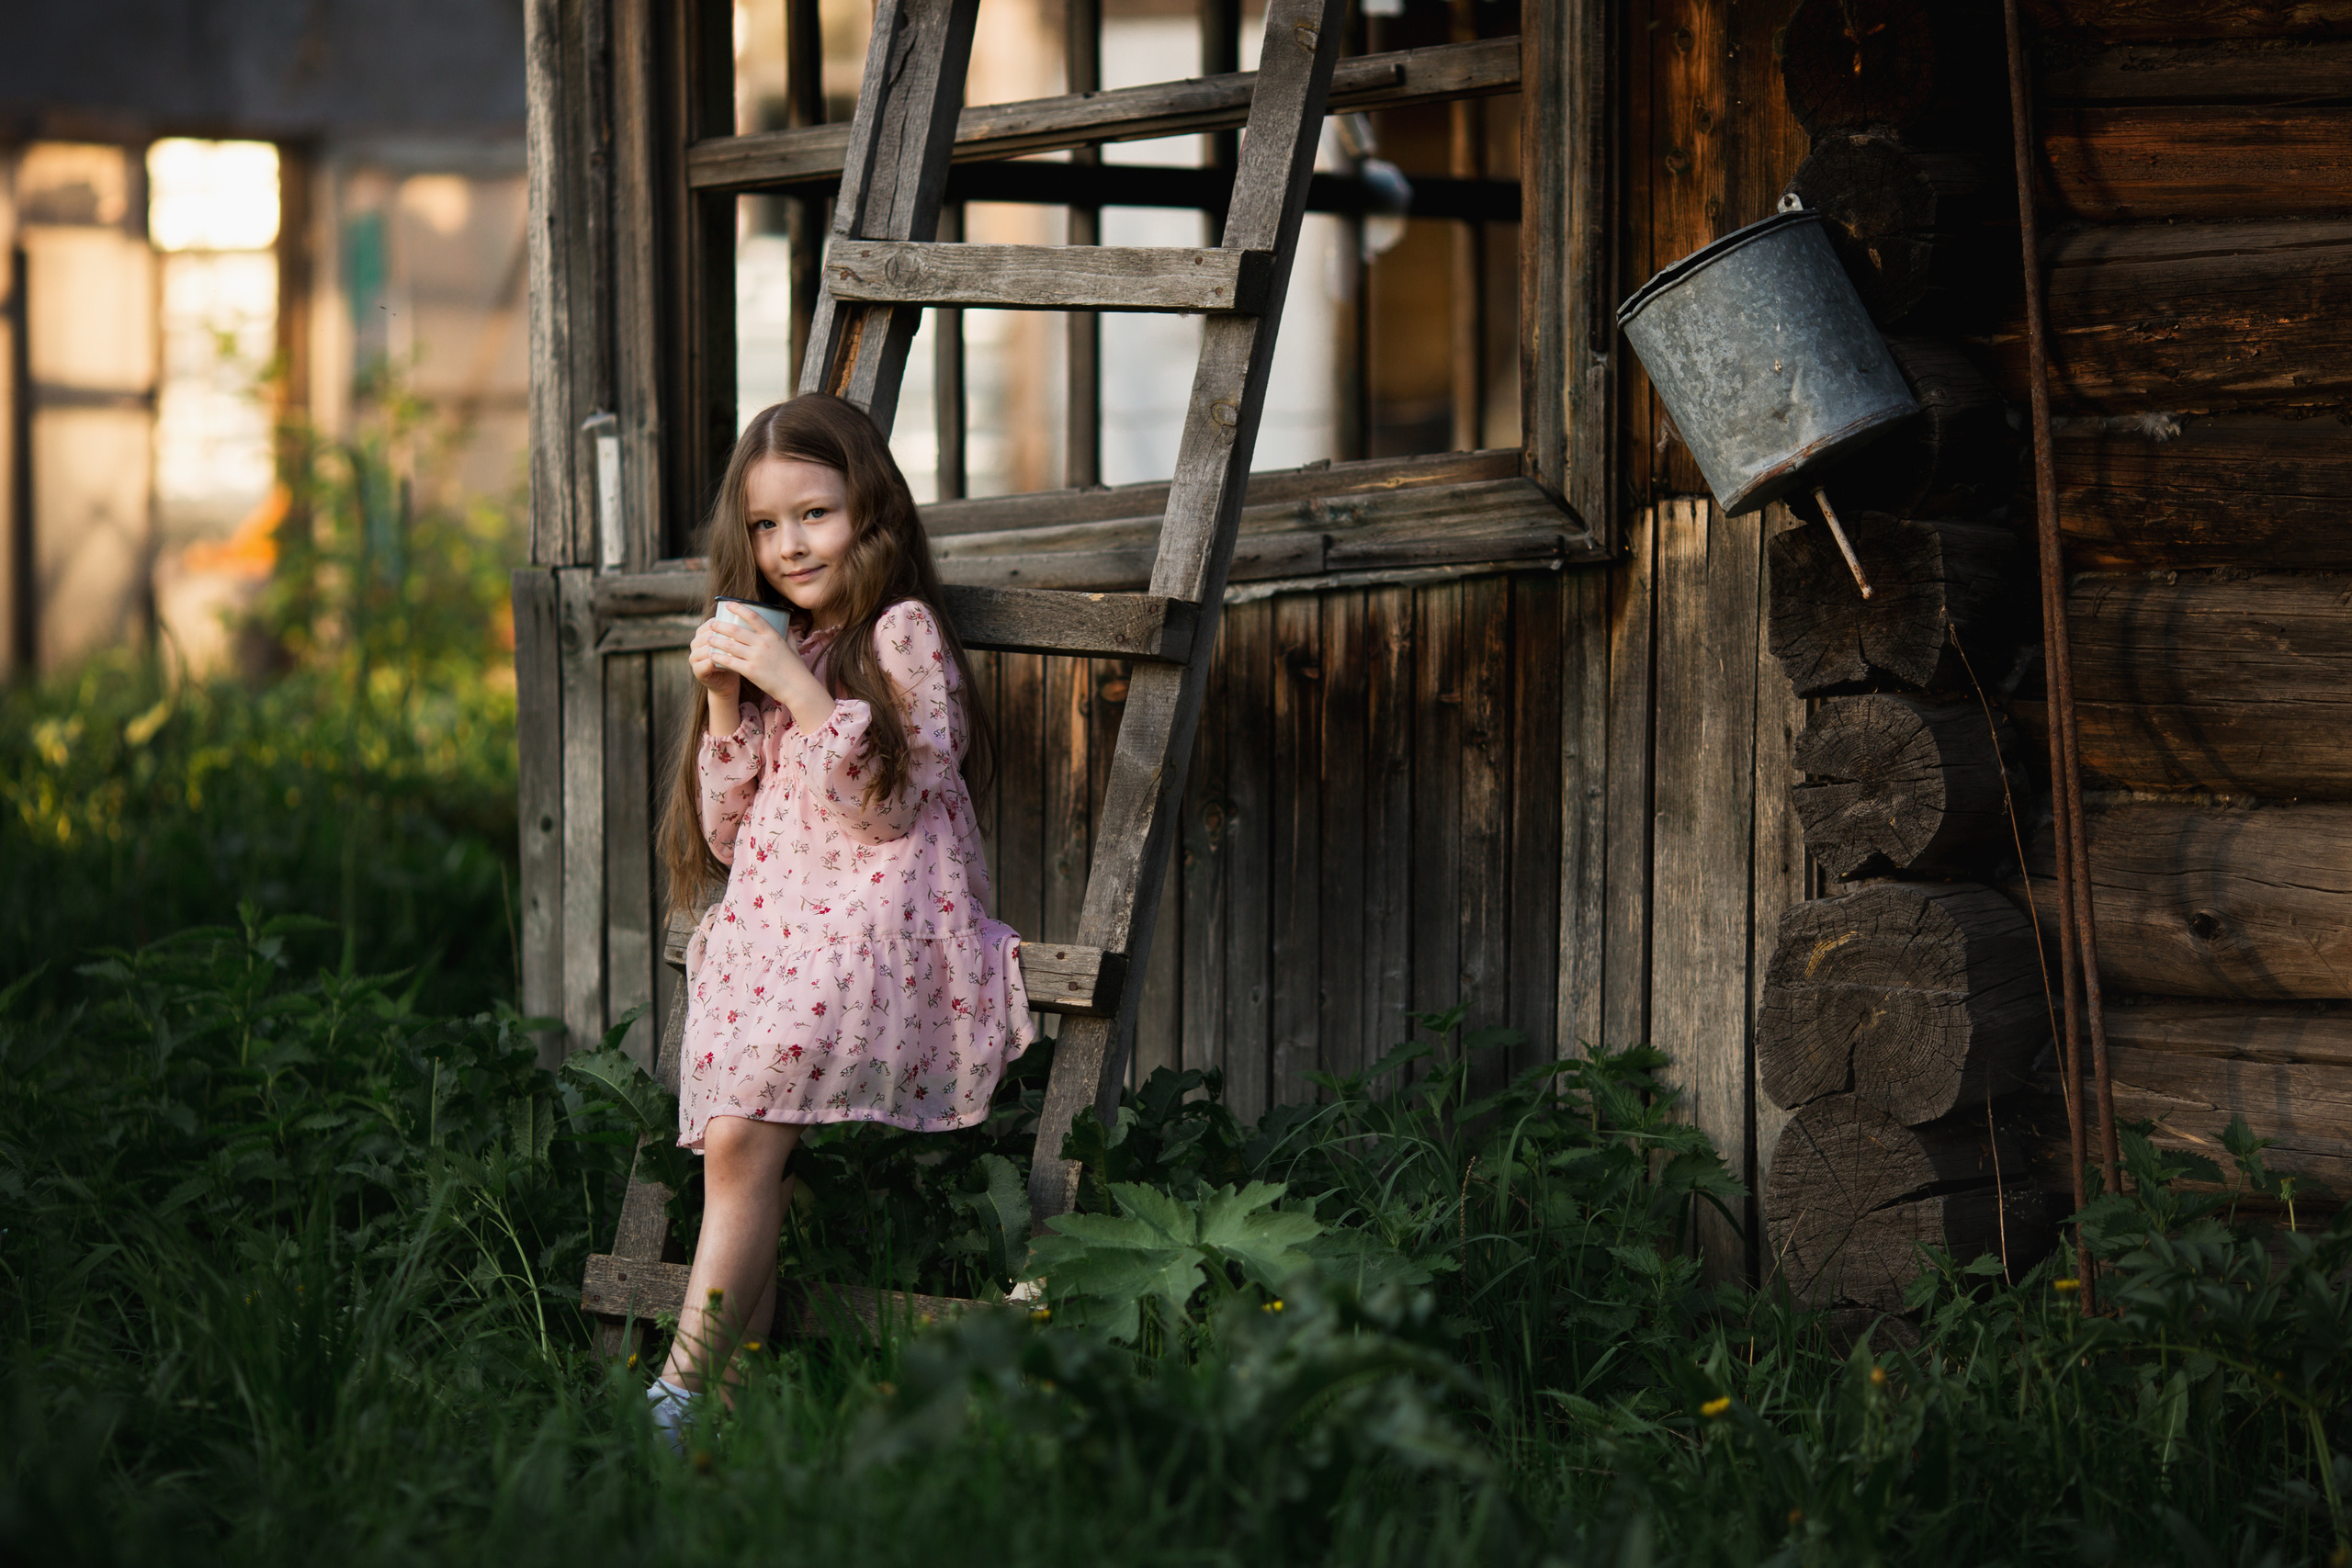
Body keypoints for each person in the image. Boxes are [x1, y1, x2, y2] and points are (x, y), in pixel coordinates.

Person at [641, 393, 1035, 1451]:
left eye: (812, 514)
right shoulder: (782, 650)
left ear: (872, 511)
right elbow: (728, 838)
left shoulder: (897, 633)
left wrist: (792, 687)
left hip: (882, 923)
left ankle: (678, 1398)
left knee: (742, 1132)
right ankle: (713, 1415)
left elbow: (891, 805)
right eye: (765, 527)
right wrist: (729, 699)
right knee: (737, 1139)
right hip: (781, 930)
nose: (788, 545)